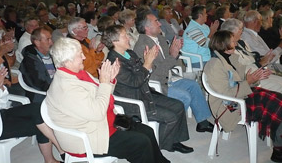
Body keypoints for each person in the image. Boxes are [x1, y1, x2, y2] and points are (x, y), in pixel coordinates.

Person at [45, 37, 170, 163]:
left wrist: (110, 79)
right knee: (140, 143)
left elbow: (102, 94)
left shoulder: (79, 73)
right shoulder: (66, 88)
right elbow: (97, 113)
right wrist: (104, 83)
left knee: (146, 131)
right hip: (89, 137)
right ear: (67, 61)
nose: (84, 57)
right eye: (79, 55)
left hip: (101, 125)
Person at [103, 24, 193, 154]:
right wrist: (147, 63)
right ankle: (160, 147)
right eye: (125, 36)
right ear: (114, 41)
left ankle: (173, 141)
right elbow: (135, 82)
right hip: (134, 102)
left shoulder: (129, 53)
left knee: (178, 105)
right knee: (171, 117)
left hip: (145, 93)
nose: (129, 37)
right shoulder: (114, 62)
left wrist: (148, 63)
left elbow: (144, 75)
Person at [204, 30, 282, 162]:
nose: (236, 43)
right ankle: (278, 150)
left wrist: (257, 77)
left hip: (242, 95)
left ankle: (278, 145)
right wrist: (249, 81)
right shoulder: (215, 65)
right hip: (229, 106)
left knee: (278, 100)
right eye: (233, 41)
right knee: (278, 105)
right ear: (224, 45)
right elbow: (225, 95)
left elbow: (244, 79)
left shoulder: (231, 59)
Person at [133, 8, 213, 133]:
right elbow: (154, 75)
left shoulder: (159, 38)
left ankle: (202, 122)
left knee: (193, 85)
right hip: (155, 85)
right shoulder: (143, 46)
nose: (160, 24)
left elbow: (171, 64)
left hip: (168, 77)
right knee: (184, 96)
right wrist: (172, 56)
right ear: (147, 28)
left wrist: (174, 55)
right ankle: (171, 132)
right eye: (156, 22)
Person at [0, 56, 64, 163]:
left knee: (38, 108)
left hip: (2, 114)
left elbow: (3, 102)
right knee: (42, 125)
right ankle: (57, 154)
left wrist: (0, 86)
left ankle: (58, 154)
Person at [221, 18, 282, 93]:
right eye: (241, 29)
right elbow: (242, 71)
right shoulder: (228, 50)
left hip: (257, 72)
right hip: (249, 81)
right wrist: (260, 63)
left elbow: (251, 58)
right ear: (232, 33)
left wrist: (264, 60)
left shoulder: (241, 42)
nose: (242, 31)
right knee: (279, 87)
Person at [19, 28, 54, 103]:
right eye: (48, 39)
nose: (51, 42)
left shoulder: (51, 54)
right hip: (43, 96)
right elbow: (40, 84)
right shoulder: (30, 61)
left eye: (51, 38)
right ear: (37, 43)